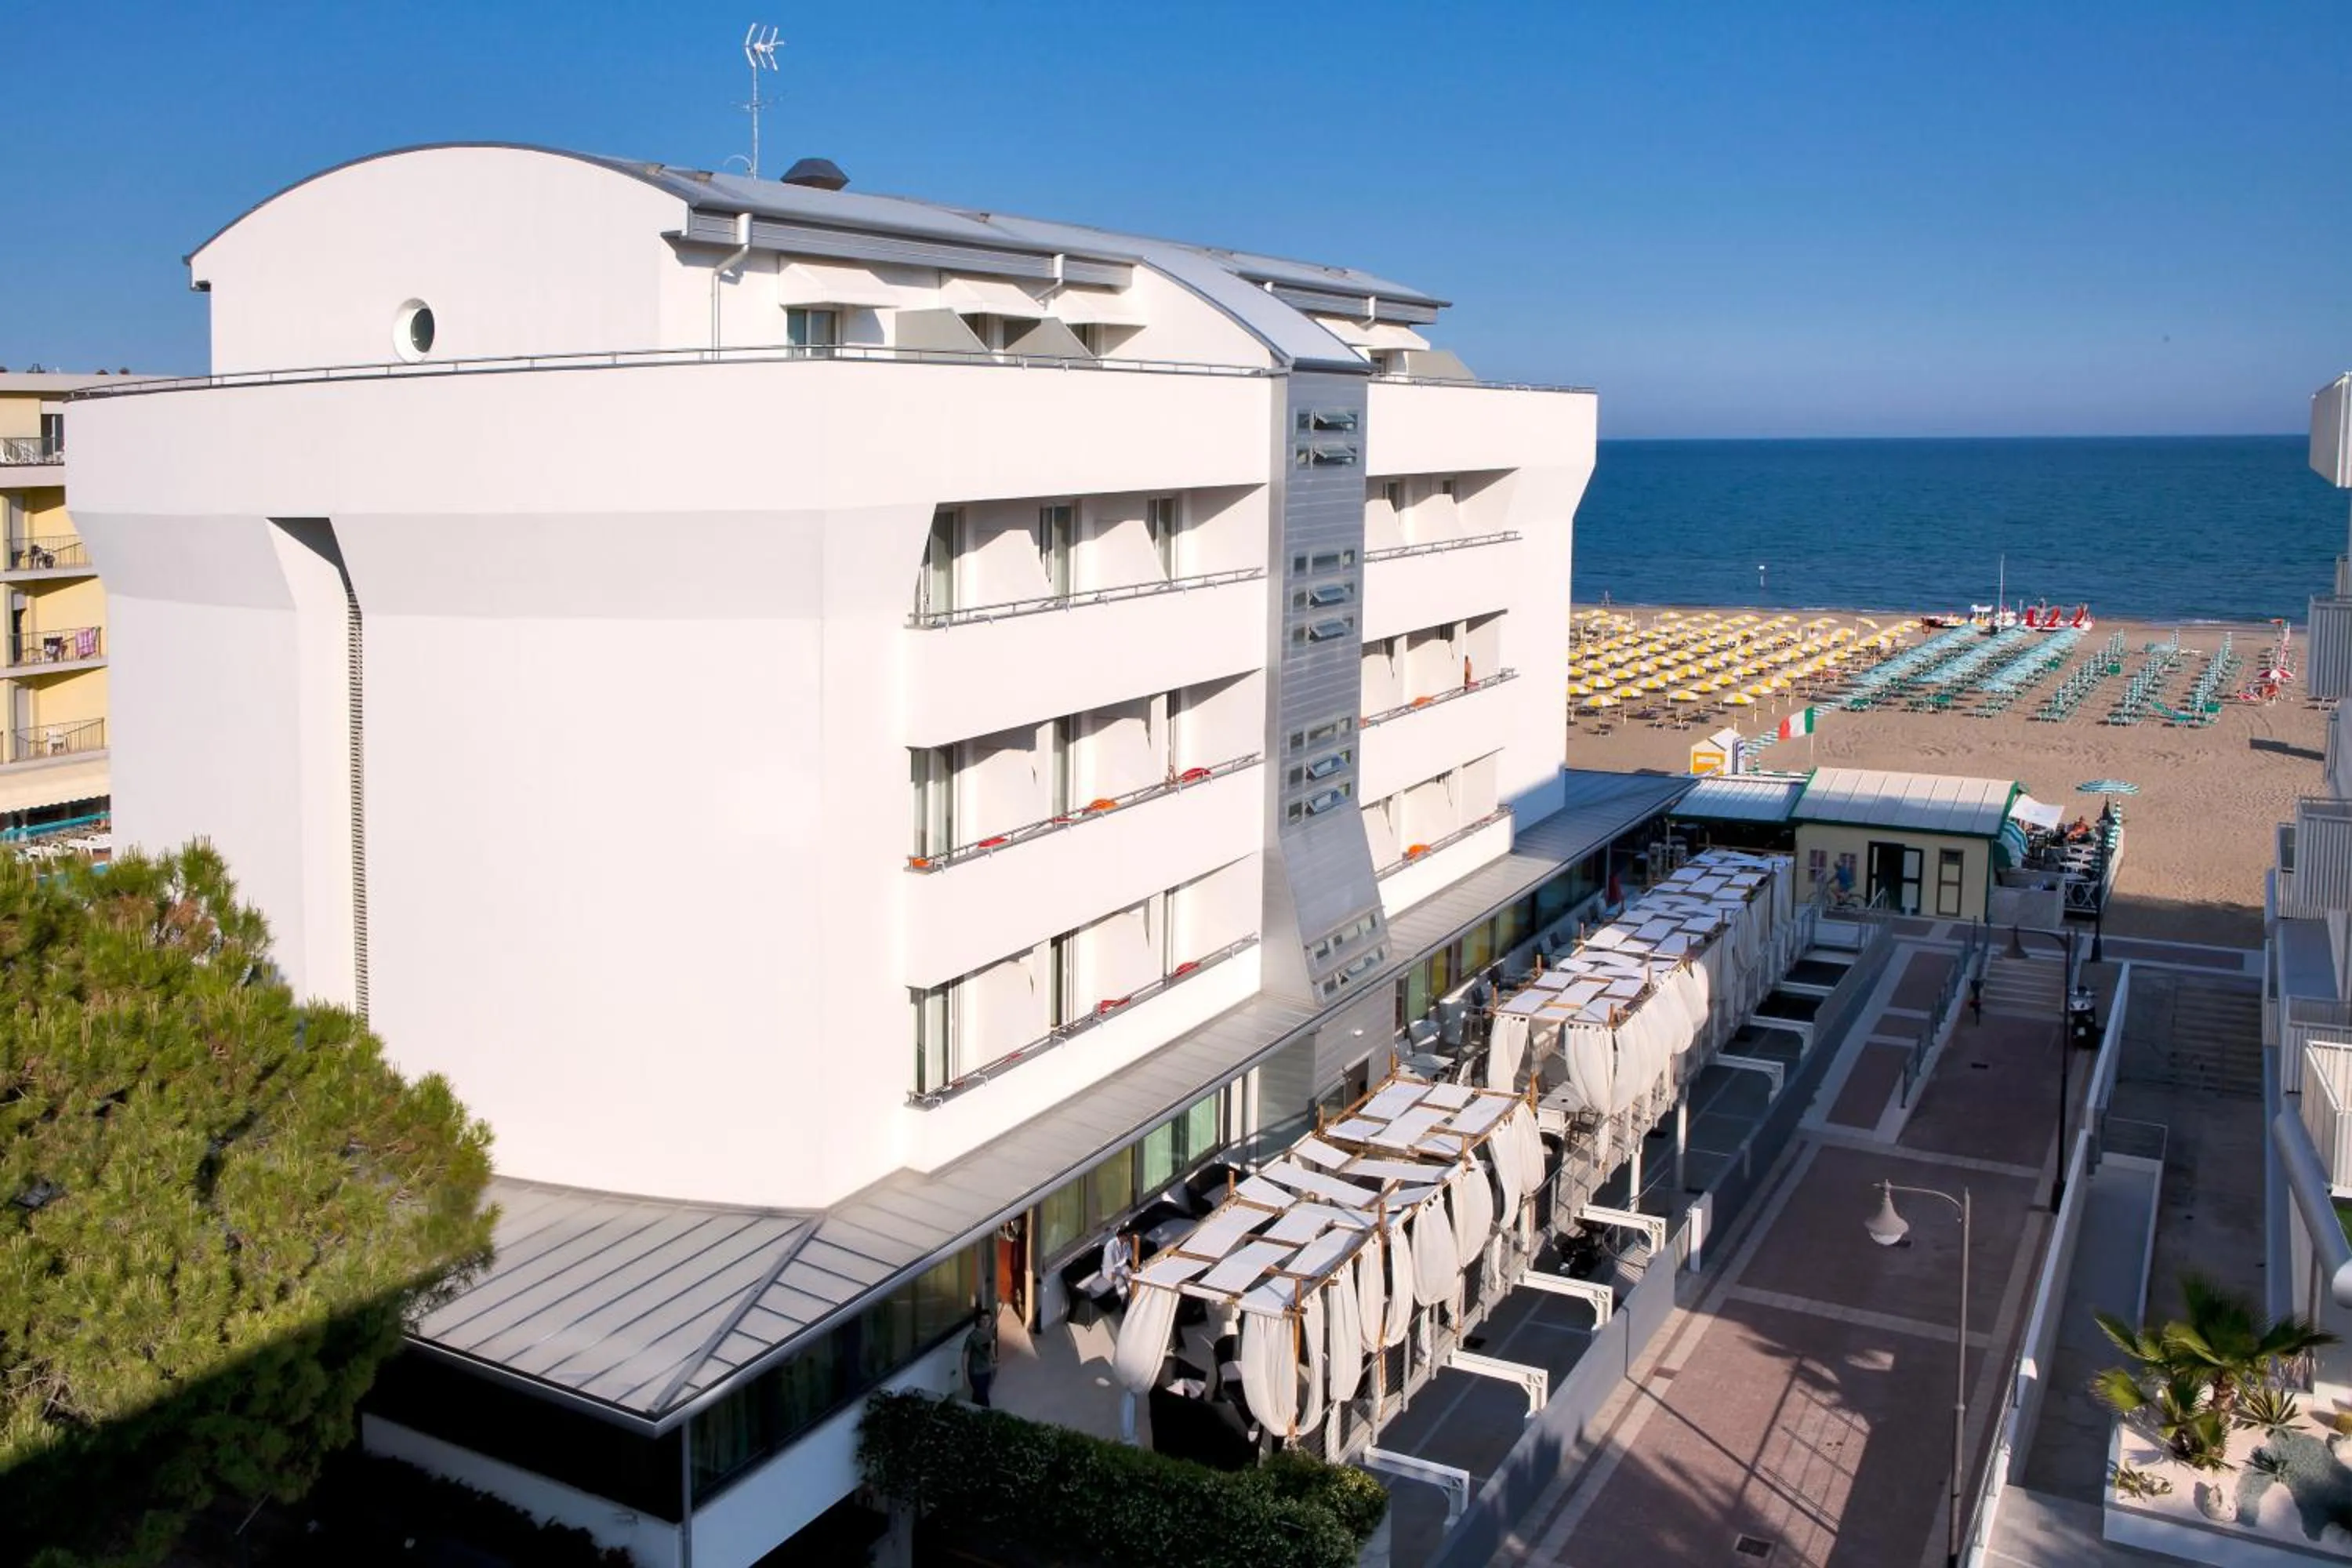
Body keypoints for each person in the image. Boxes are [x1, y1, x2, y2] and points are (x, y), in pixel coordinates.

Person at [964, 1306, 998, 1408]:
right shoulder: (972, 1337)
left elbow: (991, 1347)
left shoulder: (990, 1332)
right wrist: (965, 1375)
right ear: (979, 1321)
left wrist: (994, 1360)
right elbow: (965, 1355)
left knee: (979, 1395)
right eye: (983, 1320)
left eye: (988, 1319)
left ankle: (972, 1409)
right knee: (984, 1398)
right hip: (976, 1372)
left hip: (986, 1370)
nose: (986, 1322)